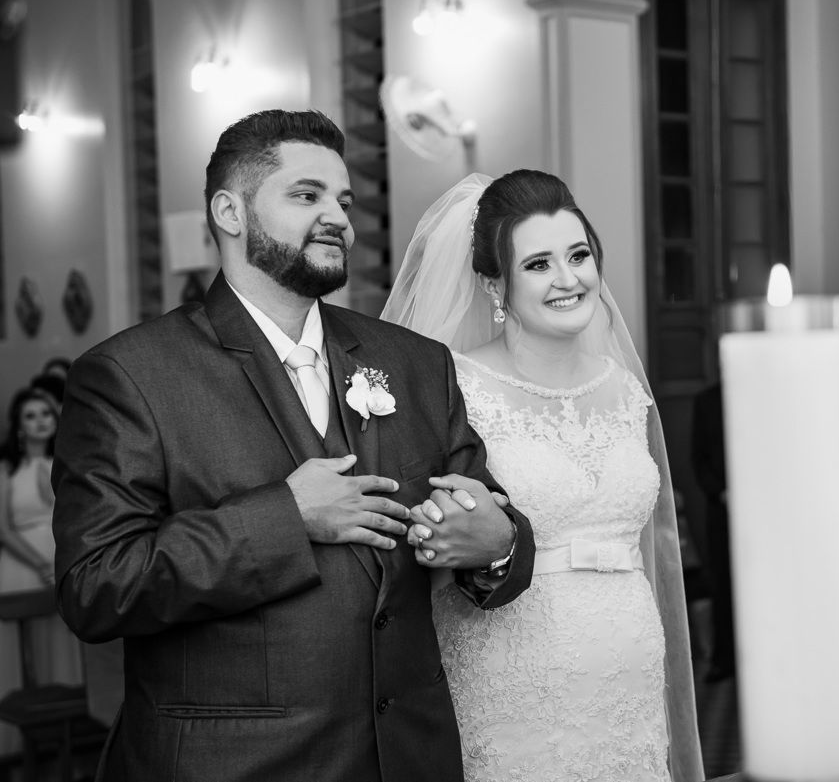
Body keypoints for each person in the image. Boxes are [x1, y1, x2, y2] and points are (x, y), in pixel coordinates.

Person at [51, 110, 535, 782]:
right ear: (230, 210)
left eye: (343, 200)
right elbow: (96, 586)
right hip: (236, 764)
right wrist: (287, 516)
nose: (336, 215)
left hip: (405, 758)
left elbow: (491, 514)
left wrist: (498, 543)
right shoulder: (131, 376)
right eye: (307, 195)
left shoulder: (414, 362)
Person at [382, 170, 703, 781]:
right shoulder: (453, 386)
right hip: (512, 680)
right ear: (493, 283)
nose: (568, 279)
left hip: (629, 672)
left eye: (578, 255)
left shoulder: (624, 387)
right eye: (538, 264)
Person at [0, 387, 82, 756]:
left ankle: (69, 745)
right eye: (30, 415)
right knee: (26, 651)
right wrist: (39, 563)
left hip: (65, 560)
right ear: (18, 426)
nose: (40, 421)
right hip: (23, 566)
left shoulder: (72, 464)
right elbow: (3, 529)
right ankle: (22, 747)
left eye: (45, 413)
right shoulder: (6, 471)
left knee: (66, 645)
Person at [691, 382, 734, 683]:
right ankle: (724, 658)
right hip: (722, 508)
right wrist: (720, 492)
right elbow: (699, 457)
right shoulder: (707, 400)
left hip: (769, 508)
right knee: (722, 581)